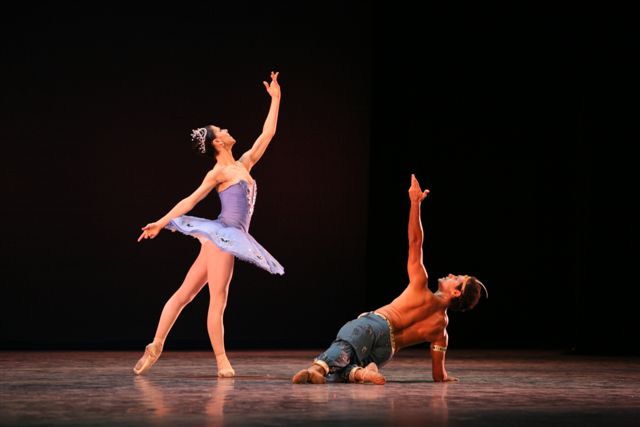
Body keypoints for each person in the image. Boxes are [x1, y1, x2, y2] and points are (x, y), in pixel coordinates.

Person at [134, 71, 284, 378]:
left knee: (184, 295)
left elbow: (266, 135)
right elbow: (189, 201)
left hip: (228, 235)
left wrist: (276, 98)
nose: (229, 130)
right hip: (224, 236)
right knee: (218, 299)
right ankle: (221, 361)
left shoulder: (243, 163)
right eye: (223, 129)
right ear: (218, 141)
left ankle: (156, 345)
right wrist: (162, 223)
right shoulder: (218, 173)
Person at [292, 174, 487, 384]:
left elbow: (415, 242)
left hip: (375, 326)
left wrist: (415, 204)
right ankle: (360, 373)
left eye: (456, 278)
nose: (451, 275)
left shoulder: (420, 286)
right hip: (386, 352)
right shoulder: (441, 331)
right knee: (344, 365)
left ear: (456, 292)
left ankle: (316, 368)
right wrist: (446, 378)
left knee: (345, 343)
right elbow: (439, 376)